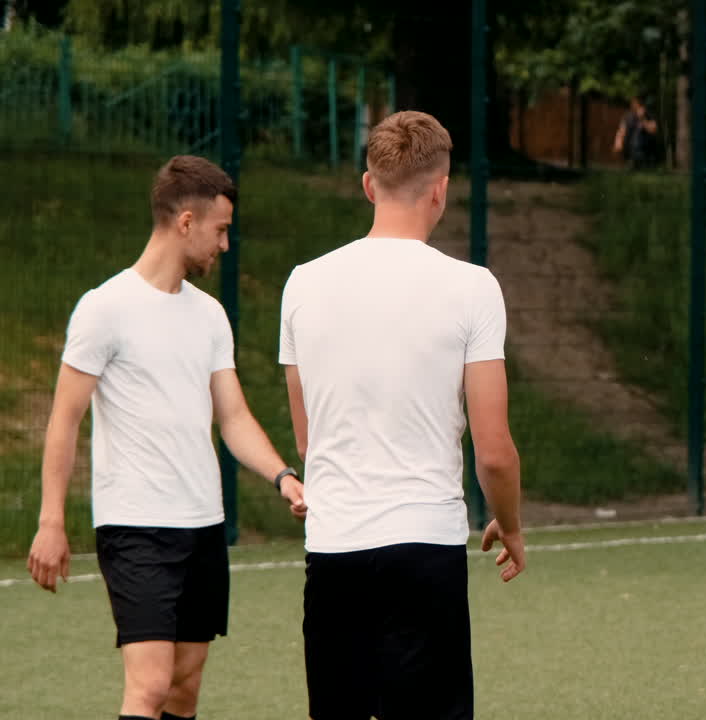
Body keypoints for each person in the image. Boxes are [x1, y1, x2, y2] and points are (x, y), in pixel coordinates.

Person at [26, 155, 306, 720]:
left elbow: (233, 418)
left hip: (202, 525)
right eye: (220, 230)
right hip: (135, 526)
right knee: (150, 684)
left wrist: (283, 476)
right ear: (185, 222)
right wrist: (51, 521)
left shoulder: (209, 316)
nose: (224, 246)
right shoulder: (104, 308)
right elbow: (64, 420)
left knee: (183, 686)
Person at [279, 110, 525, 720]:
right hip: (426, 549)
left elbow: (308, 439)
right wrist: (510, 524)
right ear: (441, 189)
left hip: (335, 548)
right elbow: (494, 449)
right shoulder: (472, 287)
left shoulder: (302, 284)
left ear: (369, 185)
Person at [612, 94, 660, 169]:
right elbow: (621, 131)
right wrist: (618, 143)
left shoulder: (649, 116)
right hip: (630, 148)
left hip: (646, 149)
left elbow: (653, 130)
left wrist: (642, 119)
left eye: (637, 103)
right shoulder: (628, 116)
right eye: (633, 103)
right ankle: (632, 162)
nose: (635, 105)